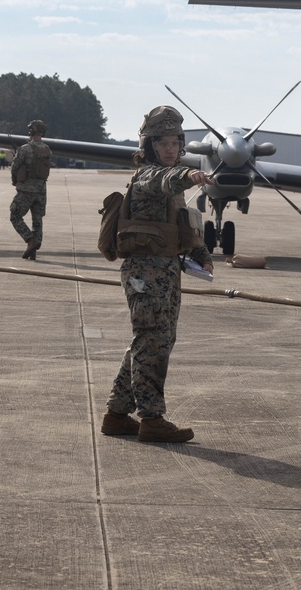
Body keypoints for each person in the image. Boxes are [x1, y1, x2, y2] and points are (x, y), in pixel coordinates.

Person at [101, 105, 214, 443]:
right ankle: (152, 419)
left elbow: (182, 224)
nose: (170, 148)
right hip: (145, 273)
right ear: (149, 146)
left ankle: (118, 414)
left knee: (150, 341)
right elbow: (167, 179)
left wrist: (201, 254)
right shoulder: (150, 176)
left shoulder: (171, 184)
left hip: (166, 271)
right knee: (152, 342)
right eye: (162, 143)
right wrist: (188, 175)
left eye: (175, 143)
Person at [9, 120, 51, 260]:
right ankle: (34, 249)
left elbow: (15, 167)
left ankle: (29, 240)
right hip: (41, 191)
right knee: (37, 220)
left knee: (15, 215)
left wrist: (15, 181)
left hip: (26, 190)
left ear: (31, 131)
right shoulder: (47, 149)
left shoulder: (25, 149)